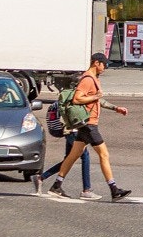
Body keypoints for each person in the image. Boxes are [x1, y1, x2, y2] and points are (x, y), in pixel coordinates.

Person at [40, 53, 131, 202]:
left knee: (73, 156)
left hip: (86, 124)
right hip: (89, 124)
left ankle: (57, 185)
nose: (105, 68)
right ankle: (114, 189)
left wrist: (116, 108)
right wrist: (95, 97)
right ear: (96, 63)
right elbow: (77, 99)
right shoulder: (88, 79)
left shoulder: (93, 79)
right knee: (104, 154)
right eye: (104, 64)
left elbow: (97, 99)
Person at [37, 99, 96, 199]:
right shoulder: (74, 97)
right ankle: (86, 190)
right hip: (73, 131)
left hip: (69, 131)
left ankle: (43, 179)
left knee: (68, 159)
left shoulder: (65, 96)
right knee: (85, 156)